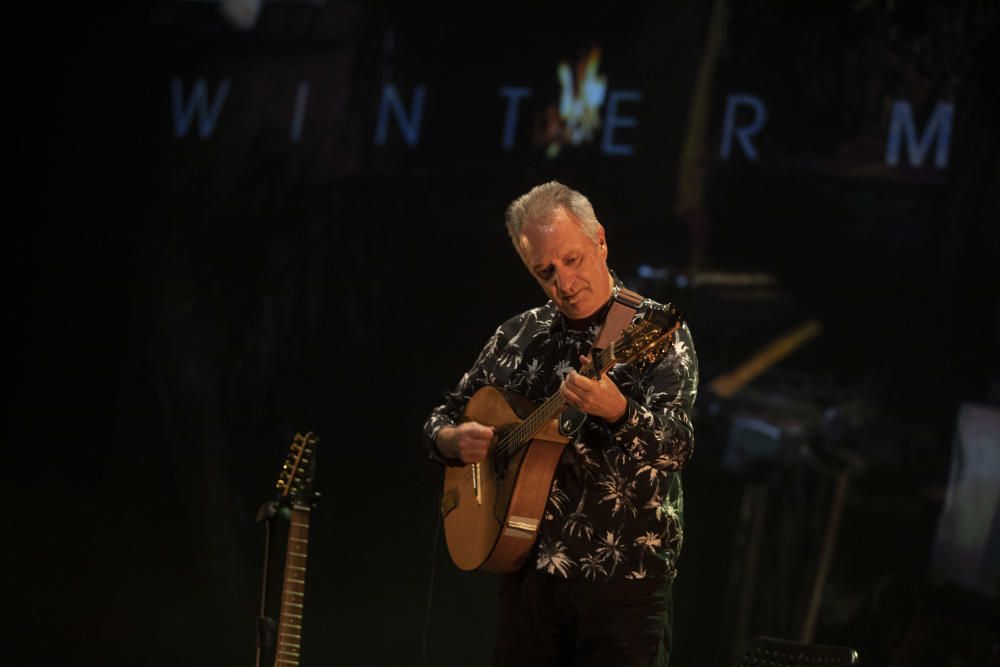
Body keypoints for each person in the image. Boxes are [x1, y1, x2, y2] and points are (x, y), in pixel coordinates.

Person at [422, 181, 698, 666]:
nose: (564, 284)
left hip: (624, 584)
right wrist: (451, 439)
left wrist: (620, 412)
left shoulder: (655, 332)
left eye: (573, 261)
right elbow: (443, 415)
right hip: (528, 575)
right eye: (545, 272)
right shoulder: (518, 334)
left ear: (601, 241)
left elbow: (676, 449)